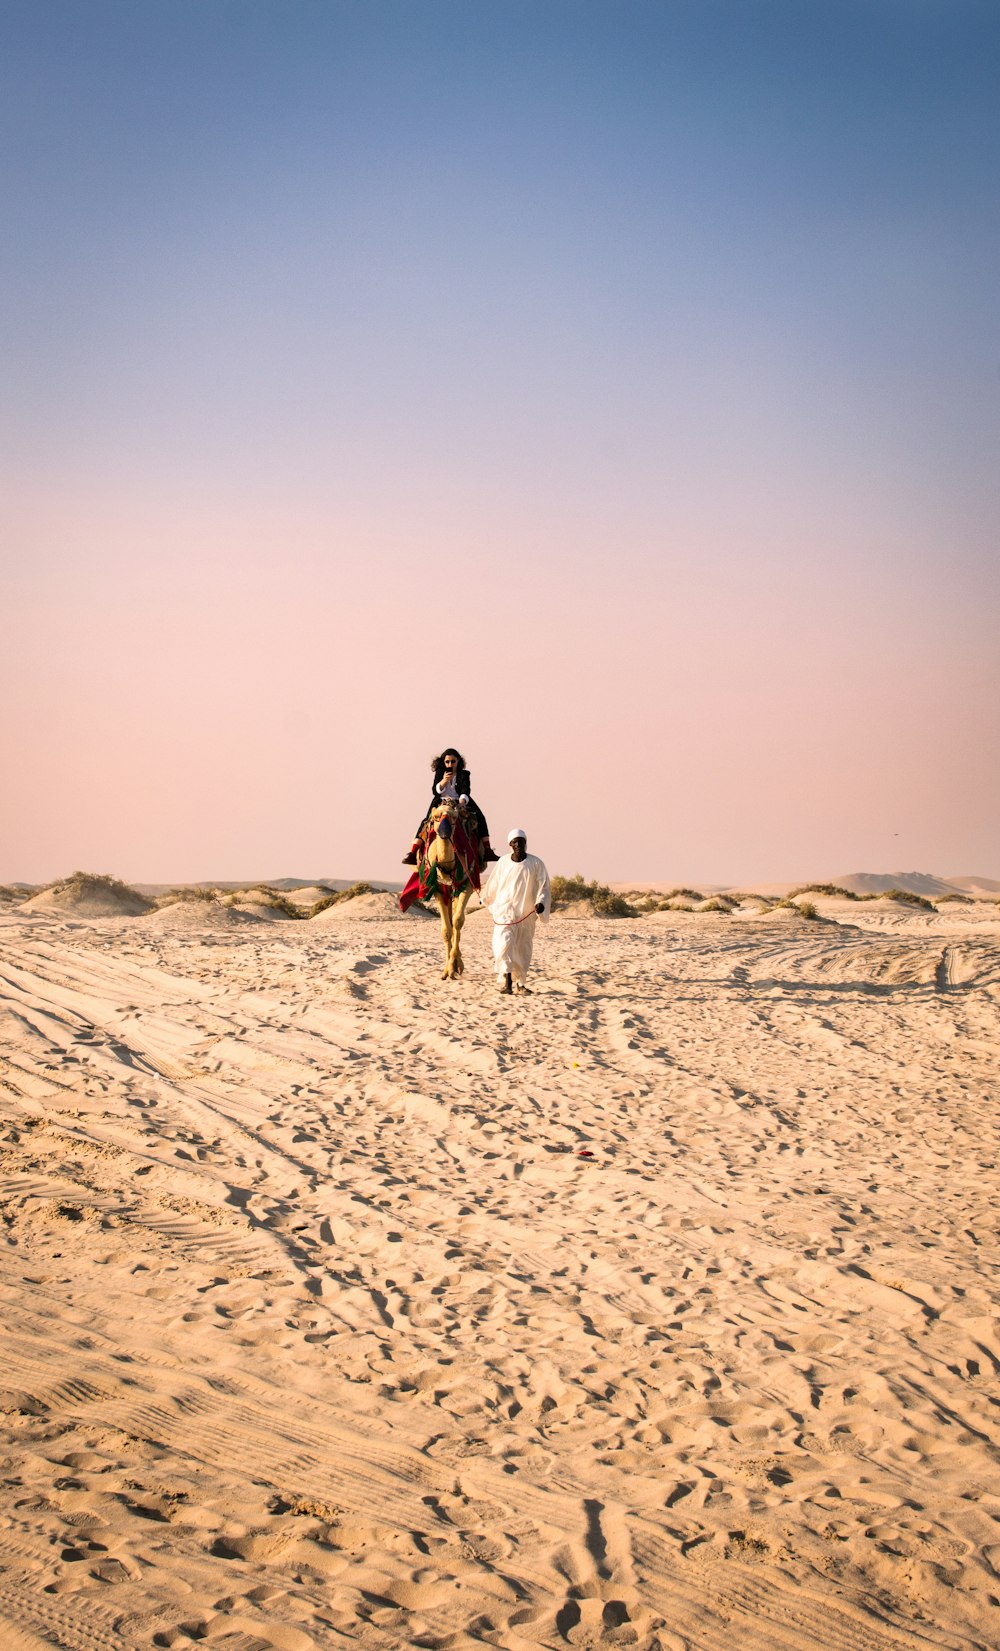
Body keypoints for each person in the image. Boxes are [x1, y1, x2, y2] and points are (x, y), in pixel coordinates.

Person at [479, 829, 551, 995]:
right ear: (510, 844)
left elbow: (544, 886)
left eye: (521, 841)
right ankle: (507, 983)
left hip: (525, 915)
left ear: (525, 843)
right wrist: (486, 898)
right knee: (503, 945)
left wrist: (540, 902)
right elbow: (494, 883)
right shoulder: (503, 862)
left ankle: (520, 983)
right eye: (514, 842)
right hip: (505, 912)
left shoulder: (536, 863)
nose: (518, 845)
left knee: (522, 948)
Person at [403, 748, 497, 868]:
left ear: (458, 761)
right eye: (447, 762)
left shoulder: (464, 774)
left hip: (460, 801)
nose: (450, 764)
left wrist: (462, 801)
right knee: (426, 821)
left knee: (480, 817)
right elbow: (435, 791)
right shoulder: (439, 773)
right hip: (441, 802)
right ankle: (413, 852)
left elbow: (465, 790)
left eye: (453, 761)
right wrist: (444, 780)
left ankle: (487, 850)